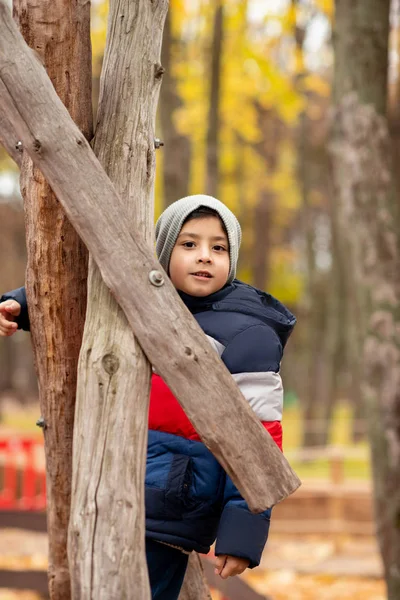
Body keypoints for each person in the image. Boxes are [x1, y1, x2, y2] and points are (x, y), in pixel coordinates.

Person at [0, 194, 296, 600]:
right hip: (108, 483)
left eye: (219, 247)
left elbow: (260, 441)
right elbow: (83, 296)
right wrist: (20, 304)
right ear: (162, 250)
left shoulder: (248, 333)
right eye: (189, 244)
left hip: (172, 501)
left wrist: (242, 532)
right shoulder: (142, 300)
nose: (205, 256)